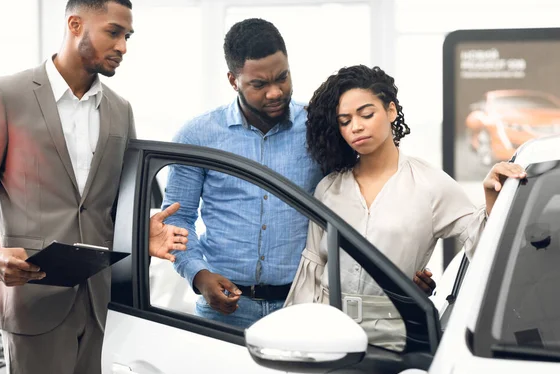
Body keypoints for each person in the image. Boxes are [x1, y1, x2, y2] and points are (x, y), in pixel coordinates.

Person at [0, 1, 187, 374]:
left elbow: (111, 206)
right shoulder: (6, 96)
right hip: (32, 299)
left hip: (98, 303)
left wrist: (138, 237)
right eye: (113, 32)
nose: (123, 46)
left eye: (127, 36)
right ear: (75, 23)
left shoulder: (120, 110)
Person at [285, 65, 526, 349]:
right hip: (328, 326)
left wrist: (491, 198)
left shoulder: (430, 184)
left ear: (390, 111)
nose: (356, 127)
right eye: (345, 121)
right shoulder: (329, 188)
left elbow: (486, 250)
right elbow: (313, 268)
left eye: (366, 114)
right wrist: (294, 340)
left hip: (394, 332)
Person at [161, 18, 323, 328]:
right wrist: (198, 274)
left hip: (303, 305)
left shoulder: (317, 128)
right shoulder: (198, 136)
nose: (275, 92)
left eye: (283, 78)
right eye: (259, 84)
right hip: (224, 308)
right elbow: (177, 219)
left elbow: (353, 203)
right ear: (233, 80)